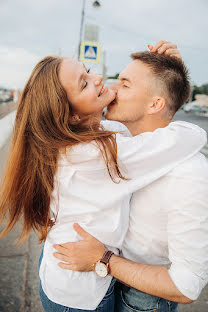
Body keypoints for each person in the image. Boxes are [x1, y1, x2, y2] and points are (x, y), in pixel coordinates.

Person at [0, 41, 206, 312]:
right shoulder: (98, 151)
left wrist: (171, 76)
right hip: (81, 291)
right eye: (84, 83)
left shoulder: (104, 137)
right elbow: (185, 135)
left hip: (82, 273)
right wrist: (167, 82)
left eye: (125, 82)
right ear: (72, 116)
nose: (104, 82)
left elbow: (186, 284)